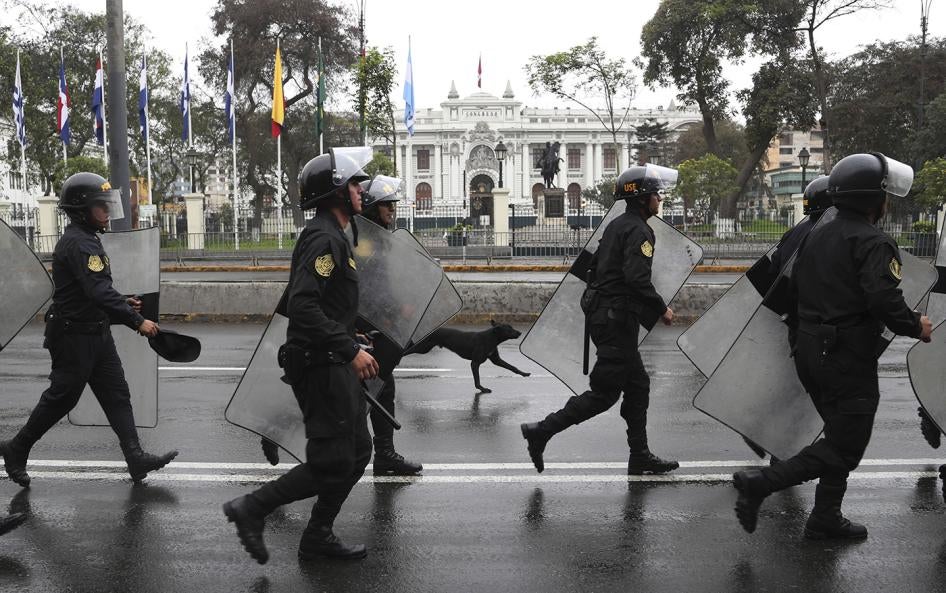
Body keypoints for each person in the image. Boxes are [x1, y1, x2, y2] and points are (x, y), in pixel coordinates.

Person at [733, 153, 933, 540]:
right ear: (874, 200)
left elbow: (789, 290)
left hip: (809, 349)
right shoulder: (874, 242)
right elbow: (882, 300)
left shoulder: (815, 233)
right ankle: (761, 483)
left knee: (837, 435)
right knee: (845, 446)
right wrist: (915, 325)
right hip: (845, 357)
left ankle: (826, 515)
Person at [223, 148, 379, 565]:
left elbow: (324, 304)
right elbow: (304, 305)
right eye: (353, 183)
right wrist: (347, 348)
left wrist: (350, 332)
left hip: (331, 356)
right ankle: (252, 507)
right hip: (321, 363)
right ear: (336, 193)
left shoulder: (334, 235)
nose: (360, 189)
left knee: (359, 451)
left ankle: (317, 534)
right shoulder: (325, 238)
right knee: (333, 459)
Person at [0, 173, 177, 487]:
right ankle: (17, 449)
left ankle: (135, 458)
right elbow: (97, 292)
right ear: (82, 209)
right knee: (61, 399)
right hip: (73, 337)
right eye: (102, 206)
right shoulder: (80, 243)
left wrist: (122, 303)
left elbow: (91, 292)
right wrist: (137, 321)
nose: (108, 212)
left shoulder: (88, 238)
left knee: (117, 395)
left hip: (96, 332)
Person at [521, 164, 679, 475]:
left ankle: (640, 455)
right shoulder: (639, 230)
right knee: (604, 394)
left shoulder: (617, 226)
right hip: (616, 320)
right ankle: (541, 431)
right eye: (656, 194)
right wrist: (662, 309)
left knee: (638, 385)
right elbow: (637, 279)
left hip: (606, 316)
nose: (660, 199)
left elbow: (595, 271)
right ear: (643, 198)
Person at [358, 175, 422, 476]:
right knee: (342, 395)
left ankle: (384, 454)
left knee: (382, 386)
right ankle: (278, 427)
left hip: (376, 326)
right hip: (360, 329)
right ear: (373, 207)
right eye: (387, 205)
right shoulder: (365, 243)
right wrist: (393, 309)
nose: (392, 210)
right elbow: (368, 288)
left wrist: (400, 307)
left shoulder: (379, 239)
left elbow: (384, 285)